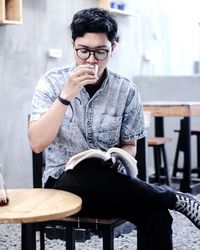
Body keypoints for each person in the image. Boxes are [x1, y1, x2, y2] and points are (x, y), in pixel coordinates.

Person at [28, 7, 200, 250]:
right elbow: (36, 143)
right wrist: (66, 96)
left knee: (157, 214)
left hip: (113, 187)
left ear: (113, 49)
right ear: (73, 45)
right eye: (83, 51)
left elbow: (130, 146)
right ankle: (172, 197)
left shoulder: (126, 91)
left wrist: (119, 157)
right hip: (64, 187)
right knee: (86, 170)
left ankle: (163, 200)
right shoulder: (51, 82)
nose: (91, 59)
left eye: (100, 52)